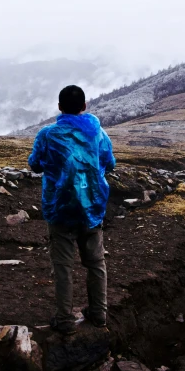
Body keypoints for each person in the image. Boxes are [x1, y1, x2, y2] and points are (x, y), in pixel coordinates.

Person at [28, 85, 116, 335]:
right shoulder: (99, 134)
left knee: (63, 266)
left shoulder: (47, 134)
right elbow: (110, 163)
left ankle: (65, 320)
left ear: (59, 107)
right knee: (96, 263)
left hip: (60, 208)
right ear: (84, 106)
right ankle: (99, 315)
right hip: (92, 206)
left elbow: (35, 165)